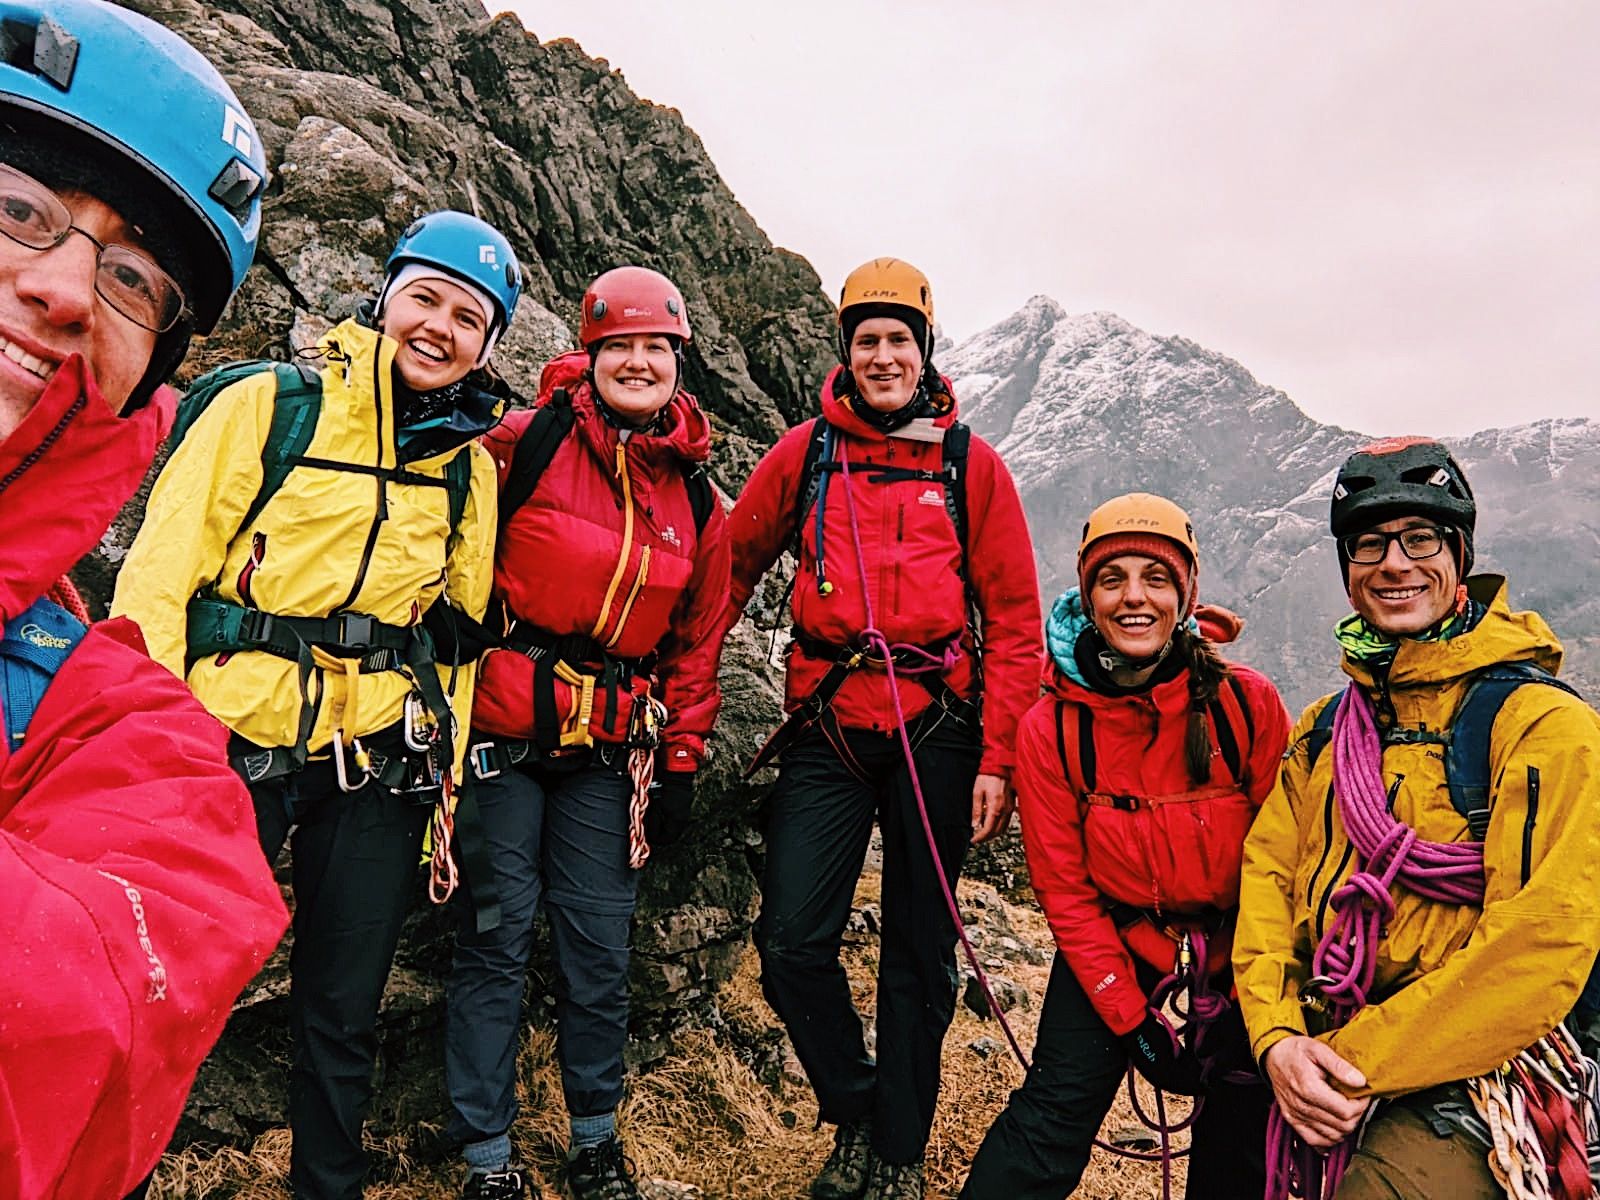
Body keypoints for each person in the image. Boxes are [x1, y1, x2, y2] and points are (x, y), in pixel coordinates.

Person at [111, 208, 521, 1199]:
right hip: (227, 742)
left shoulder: (468, 471)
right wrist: (147, 750)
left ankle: (325, 1187)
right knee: (164, 986)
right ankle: (106, 1171)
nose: (439, 327)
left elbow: (452, 645)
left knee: (344, 1009)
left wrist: (446, 799)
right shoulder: (269, 405)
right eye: (424, 297)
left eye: (468, 317)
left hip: (376, 762)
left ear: (487, 345)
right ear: (385, 299)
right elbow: (158, 580)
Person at [0, 1, 288, 1197]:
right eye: (19, 210)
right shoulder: (281, 413)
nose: (67, 290)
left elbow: (89, 1023)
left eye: (133, 281)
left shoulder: (137, 745)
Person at [722, 257, 1042, 1200]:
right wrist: (687, 695)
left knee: (919, 953)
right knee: (789, 944)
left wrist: (997, 759)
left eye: (900, 339)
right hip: (829, 724)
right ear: (847, 352)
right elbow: (730, 566)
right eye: (867, 340)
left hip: (937, 726)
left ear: (925, 350)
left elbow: (1016, 622)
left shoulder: (968, 464)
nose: (883, 355)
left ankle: (896, 1150)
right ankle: (857, 1105)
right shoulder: (806, 452)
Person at [1233, 438, 1600, 1200]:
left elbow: (1539, 944)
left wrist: (1345, 1059)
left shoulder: (1539, 725)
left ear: (1459, 554)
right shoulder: (1326, 730)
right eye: (1369, 543)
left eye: (1421, 538)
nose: (1395, 564)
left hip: (1485, 1060)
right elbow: (1267, 881)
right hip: (1323, 1038)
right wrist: (1274, 1037)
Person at [441, 264, 730, 1200]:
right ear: (590, 353)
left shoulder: (695, 500)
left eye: (657, 348)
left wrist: (681, 759)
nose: (638, 363)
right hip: (500, 729)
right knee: (497, 937)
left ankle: (594, 1139)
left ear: (678, 363)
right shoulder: (521, 443)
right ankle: (485, 1155)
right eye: (622, 346)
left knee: (600, 945)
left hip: (610, 748)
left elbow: (695, 647)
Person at [960, 493, 1291, 1199]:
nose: (1134, 597)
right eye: (1112, 580)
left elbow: (1283, 862)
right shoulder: (1051, 730)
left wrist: (1253, 987)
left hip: (1241, 953)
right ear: (1089, 596)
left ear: (1185, 595)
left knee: (1239, 1136)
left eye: (1156, 578)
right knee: (1052, 1117)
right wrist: (1130, 1017)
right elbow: (1066, 891)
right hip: (1118, 943)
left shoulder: (1246, 706)